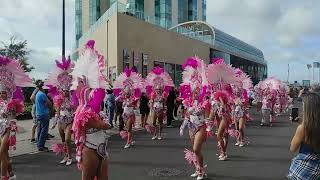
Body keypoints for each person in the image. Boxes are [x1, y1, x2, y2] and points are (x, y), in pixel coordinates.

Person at [71, 40, 112, 180]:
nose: (94, 95)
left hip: (102, 148)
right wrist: (105, 123)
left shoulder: (96, 110)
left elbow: (100, 94)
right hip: (90, 149)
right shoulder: (84, 114)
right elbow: (104, 125)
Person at [0, 55, 34, 180]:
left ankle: (4, 176)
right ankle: (11, 174)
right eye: (0, 93)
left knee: (2, 151)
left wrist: (13, 131)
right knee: (5, 154)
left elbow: (14, 118)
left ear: (8, 92)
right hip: (1, 129)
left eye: (4, 92)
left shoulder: (13, 103)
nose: (2, 95)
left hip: (9, 128)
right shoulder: (0, 102)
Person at [179, 57, 209, 180]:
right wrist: (182, 127)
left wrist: (209, 126)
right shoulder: (188, 102)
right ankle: (198, 169)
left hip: (201, 127)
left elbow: (207, 115)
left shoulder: (205, 102)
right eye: (193, 90)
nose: (195, 91)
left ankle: (201, 171)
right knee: (194, 150)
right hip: (191, 127)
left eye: (198, 89)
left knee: (196, 149)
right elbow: (186, 115)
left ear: (200, 90)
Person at [45, 57, 75, 165]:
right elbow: (57, 111)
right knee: (63, 141)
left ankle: (70, 156)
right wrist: (54, 122)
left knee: (67, 140)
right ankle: (66, 156)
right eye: (63, 90)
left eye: (67, 91)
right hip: (61, 122)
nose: (65, 92)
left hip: (69, 122)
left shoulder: (73, 100)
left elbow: (76, 110)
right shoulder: (58, 100)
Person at [288, 93, 320, 180]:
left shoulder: (303, 128)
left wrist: (300, 126)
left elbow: (292, 148)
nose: (302, 109)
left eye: (303, 106)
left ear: (308, 109)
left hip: (306, 167)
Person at [113, 67, 144, 149]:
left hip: (130, 114)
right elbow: (116, 99)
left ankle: (128, 142)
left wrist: (134, 102)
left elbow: (136, 104)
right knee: (127, 129)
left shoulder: (134, 98)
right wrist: (121, 96)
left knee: (129, 128)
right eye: (126, 93)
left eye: (128, 93)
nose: (127, 94)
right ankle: (131, 140)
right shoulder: (123, 98)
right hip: (124, 114)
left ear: (131, 93)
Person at [145, 67, 174, 140]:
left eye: (159, 89)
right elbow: (150, 102)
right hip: (155, 109)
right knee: (154, 122)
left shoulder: (163, 95)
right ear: (155, 89)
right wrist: (150, 104)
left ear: (161, 89)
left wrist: (164, 110)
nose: (158, 91)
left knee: (160, 122)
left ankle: (159, 134)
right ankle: (155, 133)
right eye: (157, 89)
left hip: (161, 109)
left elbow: (164, 103)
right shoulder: (153, 95)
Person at [35, 80, 52, 151]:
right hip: (44, 114)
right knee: (44, 130)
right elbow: (49, 103)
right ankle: (41, 146)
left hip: (38, 114)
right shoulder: (42, 94)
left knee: (40, 129)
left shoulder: (37, 94)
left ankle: (39, 144)